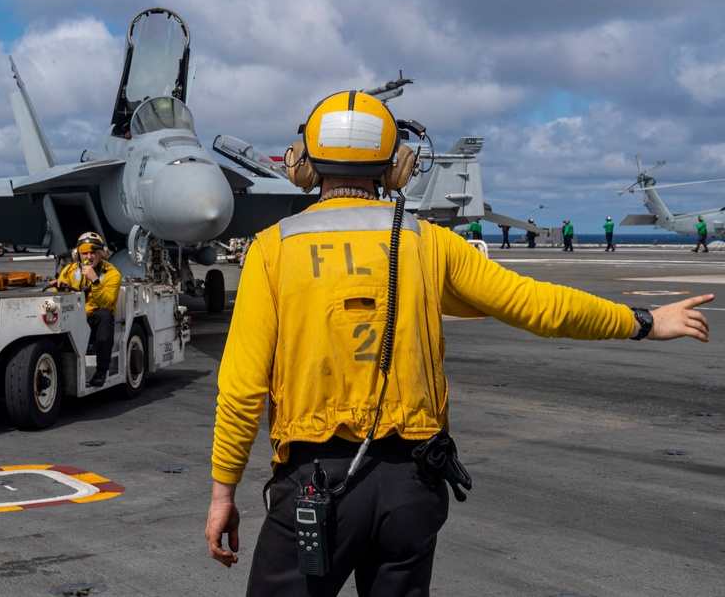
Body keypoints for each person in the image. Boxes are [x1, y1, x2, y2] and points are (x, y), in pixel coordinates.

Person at [203, 90, 713, 597]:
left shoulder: (273, 249)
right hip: (412, 488)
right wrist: (643, 320)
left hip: (317, 485)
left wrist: (223, 491)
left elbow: (243, 388)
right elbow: (537, 305)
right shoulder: (428, 243)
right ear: (396, 167)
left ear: (307, 165)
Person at [49, 232, 122, 387]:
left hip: (94, 323)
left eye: (93, 252)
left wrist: (94, 280)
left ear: (102, 253)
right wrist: (59, 289)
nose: (89, 256)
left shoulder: (112, 273)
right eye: (85, 253)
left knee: (105, 315)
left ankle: (102, 371)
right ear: (77, 255)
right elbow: (56, 299)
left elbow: (106, 303)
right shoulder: (69, 270)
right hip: (74, 319)